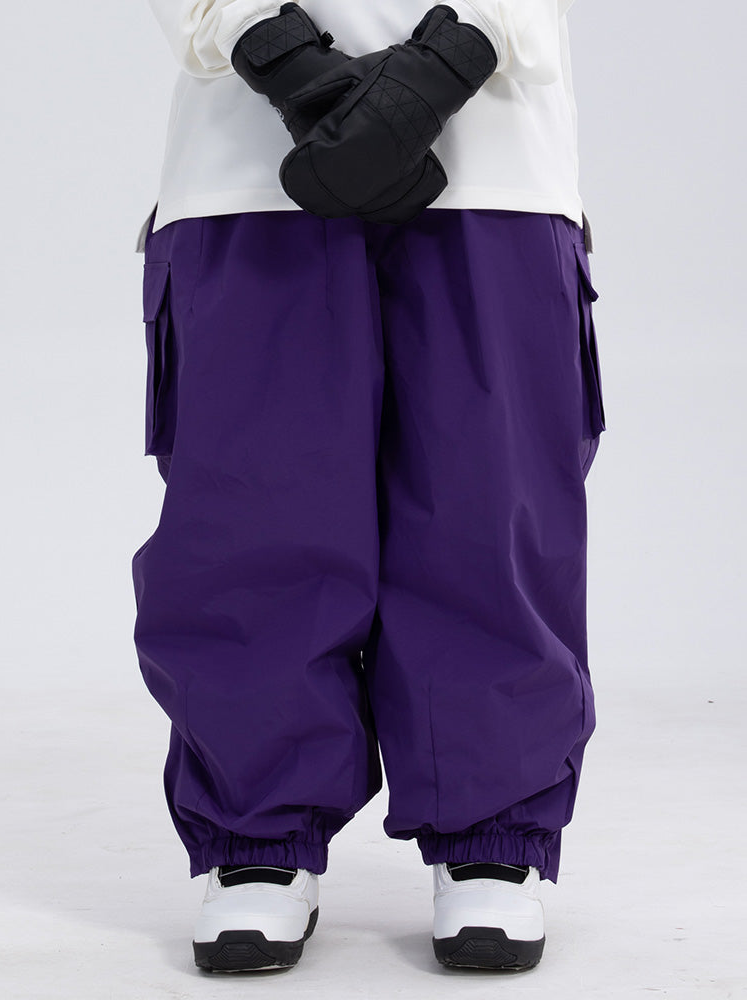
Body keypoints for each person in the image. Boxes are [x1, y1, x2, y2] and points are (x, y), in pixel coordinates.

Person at [132, 0, 607, 975]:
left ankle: (490, 833)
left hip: (495, 160)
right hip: (249, 166)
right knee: (250, 511)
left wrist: (455, 55)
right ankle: (258, 838)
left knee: (487, 509)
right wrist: (278, 55)